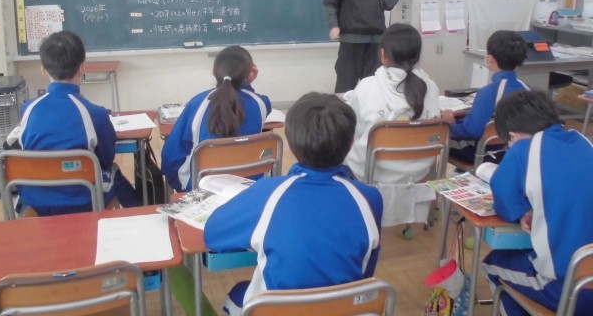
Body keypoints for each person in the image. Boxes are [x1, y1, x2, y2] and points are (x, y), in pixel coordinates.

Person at [204, 92, 382, 315]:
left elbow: (212, 236)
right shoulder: (370, 198)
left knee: (239, 293)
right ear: (351, 140)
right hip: (346, 309)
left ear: (289, 142)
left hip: (278, 310)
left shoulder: (268, 192)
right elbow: (366, 268)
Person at [481, 90, 593, 316]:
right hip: (587, 273)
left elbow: (505, 204)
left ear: (513, 136)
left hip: (571, 289)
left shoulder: (523, 148)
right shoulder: (582, 141)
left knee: (492, 264)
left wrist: (523, 212)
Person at [10, 30, 139, 216]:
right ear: (82, 67)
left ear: (43, 70)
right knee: (114, 172)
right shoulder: (94, 114)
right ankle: (143, 214)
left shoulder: (28, 110)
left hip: (37, 200)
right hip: (85, 200)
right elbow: (106, 158)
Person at [161, 45, 271, 192]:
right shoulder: (262, 104)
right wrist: (247, 83)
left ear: (214, 72)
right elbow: (247, 97)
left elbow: (170, 156)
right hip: (249, 187)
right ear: (249, 73)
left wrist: (180, 186)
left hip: (201, 187)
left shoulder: (197, 103)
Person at [343, 23, 440, 184]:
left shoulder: (367, 86)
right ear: (417, 56)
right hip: (417, 173)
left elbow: (354, 128)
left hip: (371, 172)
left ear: (383, 55)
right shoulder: (431, 87)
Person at [441, 30, 529, 165]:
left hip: (486, 155)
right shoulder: (527, 89)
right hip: (518, 152)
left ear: (490, 59)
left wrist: (450, 124)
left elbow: (471, 131)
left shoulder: (488, 92)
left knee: (440, 140)